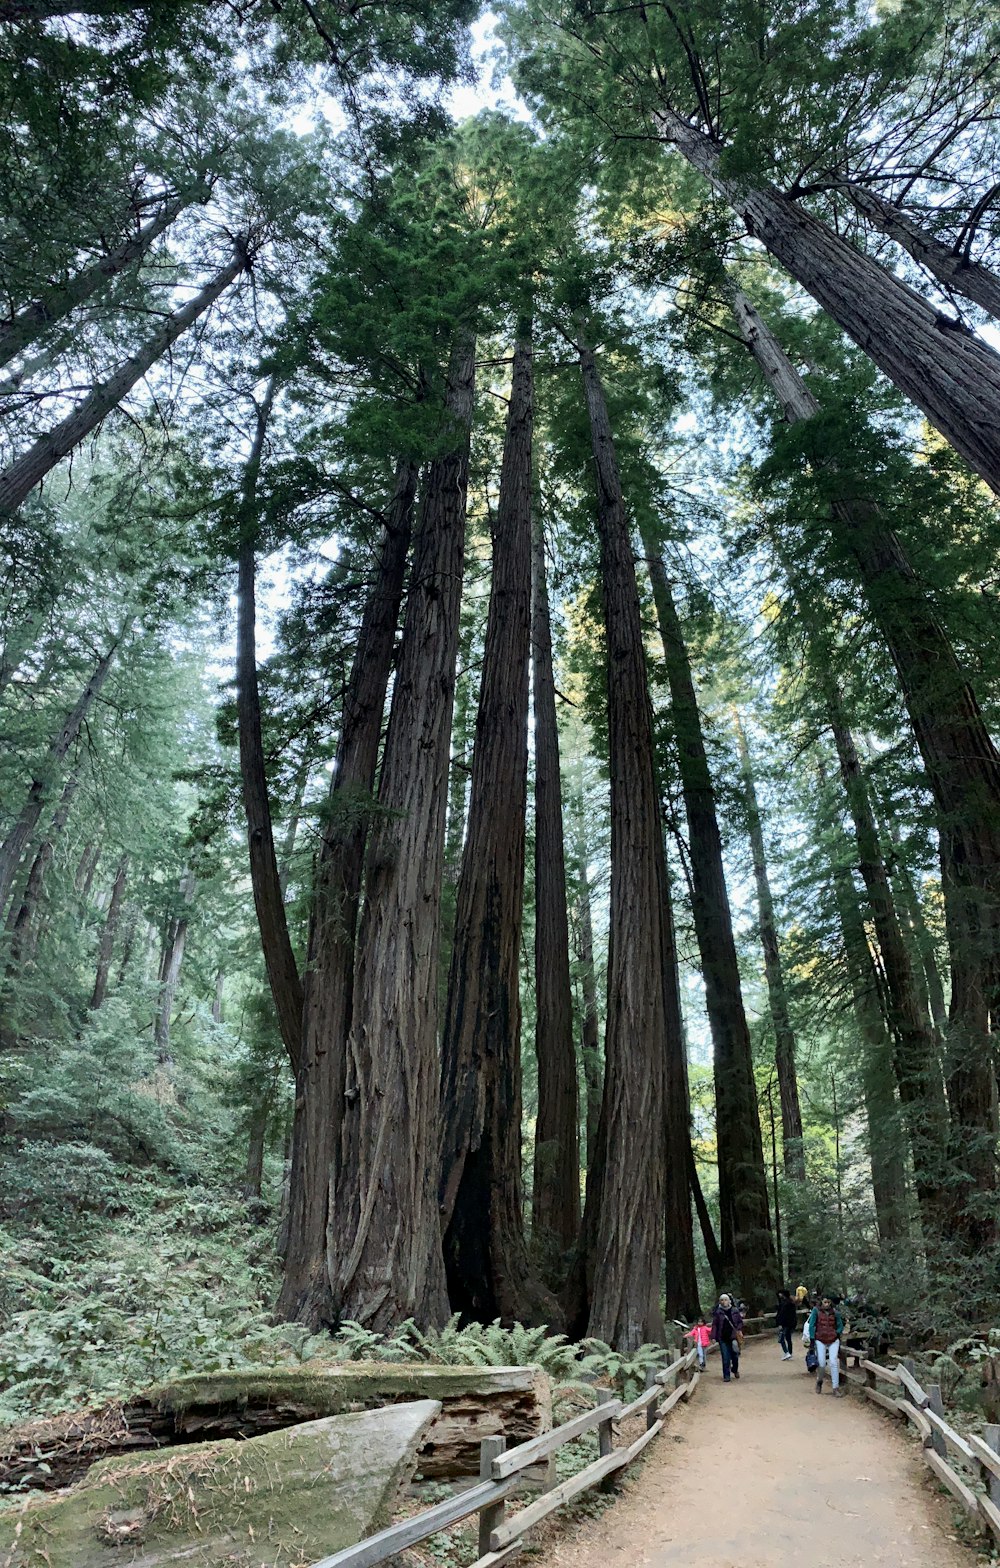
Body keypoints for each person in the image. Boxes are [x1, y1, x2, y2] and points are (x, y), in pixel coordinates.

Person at [804, 1294, 846, 1395]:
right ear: (821, 1302)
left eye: (828, 1302)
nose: (827, 1304)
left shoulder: (835, 1313)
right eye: (825, 1302)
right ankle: (819, 1381)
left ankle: (835, 1387)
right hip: (820, 1339)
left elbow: (840, 1326)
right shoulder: (816, 1311)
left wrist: (836, 1333)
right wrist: (812, 1339)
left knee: (833, 1362)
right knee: (822, 1363)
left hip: (833, 1339)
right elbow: (812, 1325)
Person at [711, 1293, 744, 1382]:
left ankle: (734, 1369)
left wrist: (739, 1330)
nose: (724, 1301)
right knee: (725, 1357)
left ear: (729, 1301)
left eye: (725, 1299)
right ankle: (726, 1375)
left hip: (733, 1337)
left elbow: (740, 1322)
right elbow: (715, 1325)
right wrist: (713, 1337)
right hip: (722, 1337)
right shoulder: (718, 1312)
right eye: (722, 1300)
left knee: (735, 1354)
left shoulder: (735, 1310)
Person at [775, 1290, 797, 1360]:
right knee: (788, 1338)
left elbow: (782, 1315)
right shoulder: (790, 1303)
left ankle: (787, 1352)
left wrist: (780, 1323)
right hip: (790, 1324)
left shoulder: (785, 1304)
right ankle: (790, 1353)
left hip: (785, 1324)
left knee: (781, 1339)